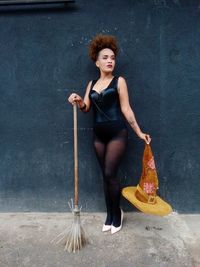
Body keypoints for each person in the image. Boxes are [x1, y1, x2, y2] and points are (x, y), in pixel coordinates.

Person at [68, 34, 151, 234]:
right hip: (99, 136)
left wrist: (139, 132)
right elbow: (86, 108)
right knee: (105, 177)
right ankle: (109, 215)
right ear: (97, 62)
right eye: (105, 57)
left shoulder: (119, 81)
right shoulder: (92, 83)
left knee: (109, 174)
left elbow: (127, 109)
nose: (110, 61)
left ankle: (117, 214)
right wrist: (78, 100)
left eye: (112, 58)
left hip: (117, 134)